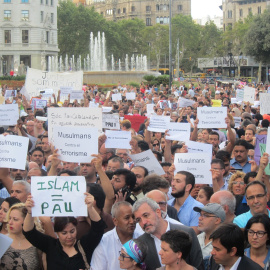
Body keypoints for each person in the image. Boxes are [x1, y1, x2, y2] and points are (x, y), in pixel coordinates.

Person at [23, 193, 105, 270]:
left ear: (76, 228)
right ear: (57, 232)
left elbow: (98, 228)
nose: (69, 236)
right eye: (64, 233)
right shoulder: (50, 245)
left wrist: (90, 208)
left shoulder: (85, 245)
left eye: (72, 231)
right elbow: (29, 233)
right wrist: (30, 212)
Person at [133, 197, 204, 270]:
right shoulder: (140, 244)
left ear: (158, 212)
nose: (143, 222)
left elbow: (198, 266)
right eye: (138, 220)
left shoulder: (187, 232)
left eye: (146, 215)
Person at [91, 201, 141, 270]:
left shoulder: (142, 237)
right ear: (115, 221)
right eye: (127, 218)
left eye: (133, 217)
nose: (132, 221)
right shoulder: (104, 242)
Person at [0, 203, 42, 270]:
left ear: (26, 221)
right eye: (10, 218)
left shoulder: (37, 244)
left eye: (15, 219)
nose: (10, 222)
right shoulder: (2, 240)